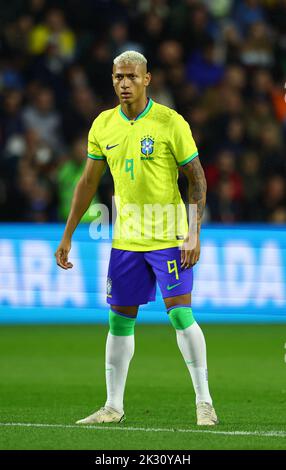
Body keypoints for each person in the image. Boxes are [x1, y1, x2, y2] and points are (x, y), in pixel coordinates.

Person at [55, 50, 218, 426]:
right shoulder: (103, 126)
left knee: (180, 314)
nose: (124, 84)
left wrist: (193, 233)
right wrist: (68, 235)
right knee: (119, 321)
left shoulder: (169, 122)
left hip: (169, 236)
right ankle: (113, 406)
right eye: (117, 77)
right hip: (126, 239)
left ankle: (204, 402)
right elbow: (87, 183)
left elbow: (196, 178)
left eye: (131, 77)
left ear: (147, 79)